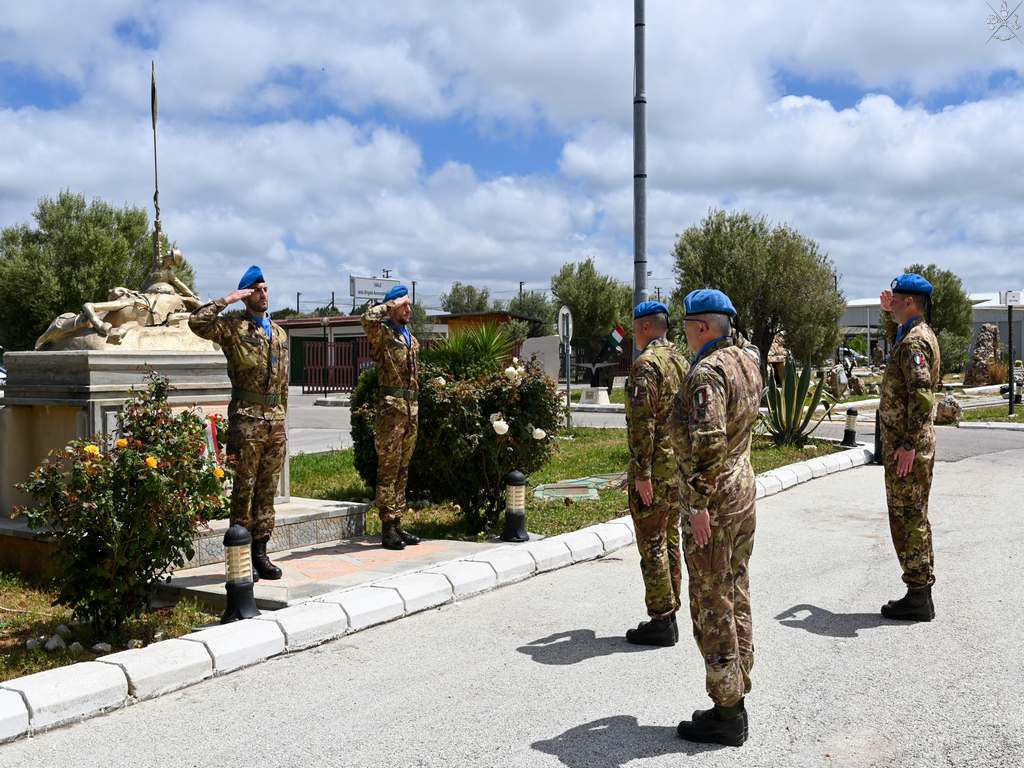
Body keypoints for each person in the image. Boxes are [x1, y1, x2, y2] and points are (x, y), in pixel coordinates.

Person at [671, 288, 762, 748]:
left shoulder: (707, 372)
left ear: (702, 327)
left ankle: (728, 712)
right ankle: (738, 685)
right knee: (736, 589)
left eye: (687, 326)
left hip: (716, 500)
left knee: (713, 600)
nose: (683, 334)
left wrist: (700, 503)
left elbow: (708, 441)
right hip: (741, 490)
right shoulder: (746, 360)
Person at [189, 265, 289, 580]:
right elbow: (197, 322)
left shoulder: (281, 333)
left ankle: (261, 553)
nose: (263, 293)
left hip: (275, 422)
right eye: (256, 289)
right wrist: (228, 299)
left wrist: (282, 416)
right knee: (244, 490)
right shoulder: (233, 327)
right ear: (246, 295)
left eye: (265, 288)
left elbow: (284, 382)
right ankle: (240, 557)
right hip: (247, 421)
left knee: (266, 490)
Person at [623, 301, 689, 646]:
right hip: (677, 466)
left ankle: (662, 620)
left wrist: (641, 473)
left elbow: (642, 425)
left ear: (647, 326)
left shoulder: (646, 365)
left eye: (636, 327)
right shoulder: (680, 360)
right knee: (670, 538)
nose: (634, 334)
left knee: (652, 543)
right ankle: (671, 609)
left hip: (655, 468)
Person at [877, 273, 941, 621]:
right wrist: (891, 316)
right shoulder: (915, 334)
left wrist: (907, 443)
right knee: (912, 516)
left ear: (910, 302)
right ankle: (919, 591)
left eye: (897, 300)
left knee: (908, 518)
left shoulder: (915, 342)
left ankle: (918, 595)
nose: (893, 304)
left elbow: (920, 395)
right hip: (910, 444)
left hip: (908, 447)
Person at [362, 285, 421, 550]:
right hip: (391, 410)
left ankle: (397, 522)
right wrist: (390, 304)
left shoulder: (411, 337)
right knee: (388, 468)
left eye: (409, 305)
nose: (408, 309)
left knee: (402, 469)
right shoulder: (383, 334)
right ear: (393, 307)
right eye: (404, 305)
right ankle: (387, 528)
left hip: (411, 410)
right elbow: (366, 319)